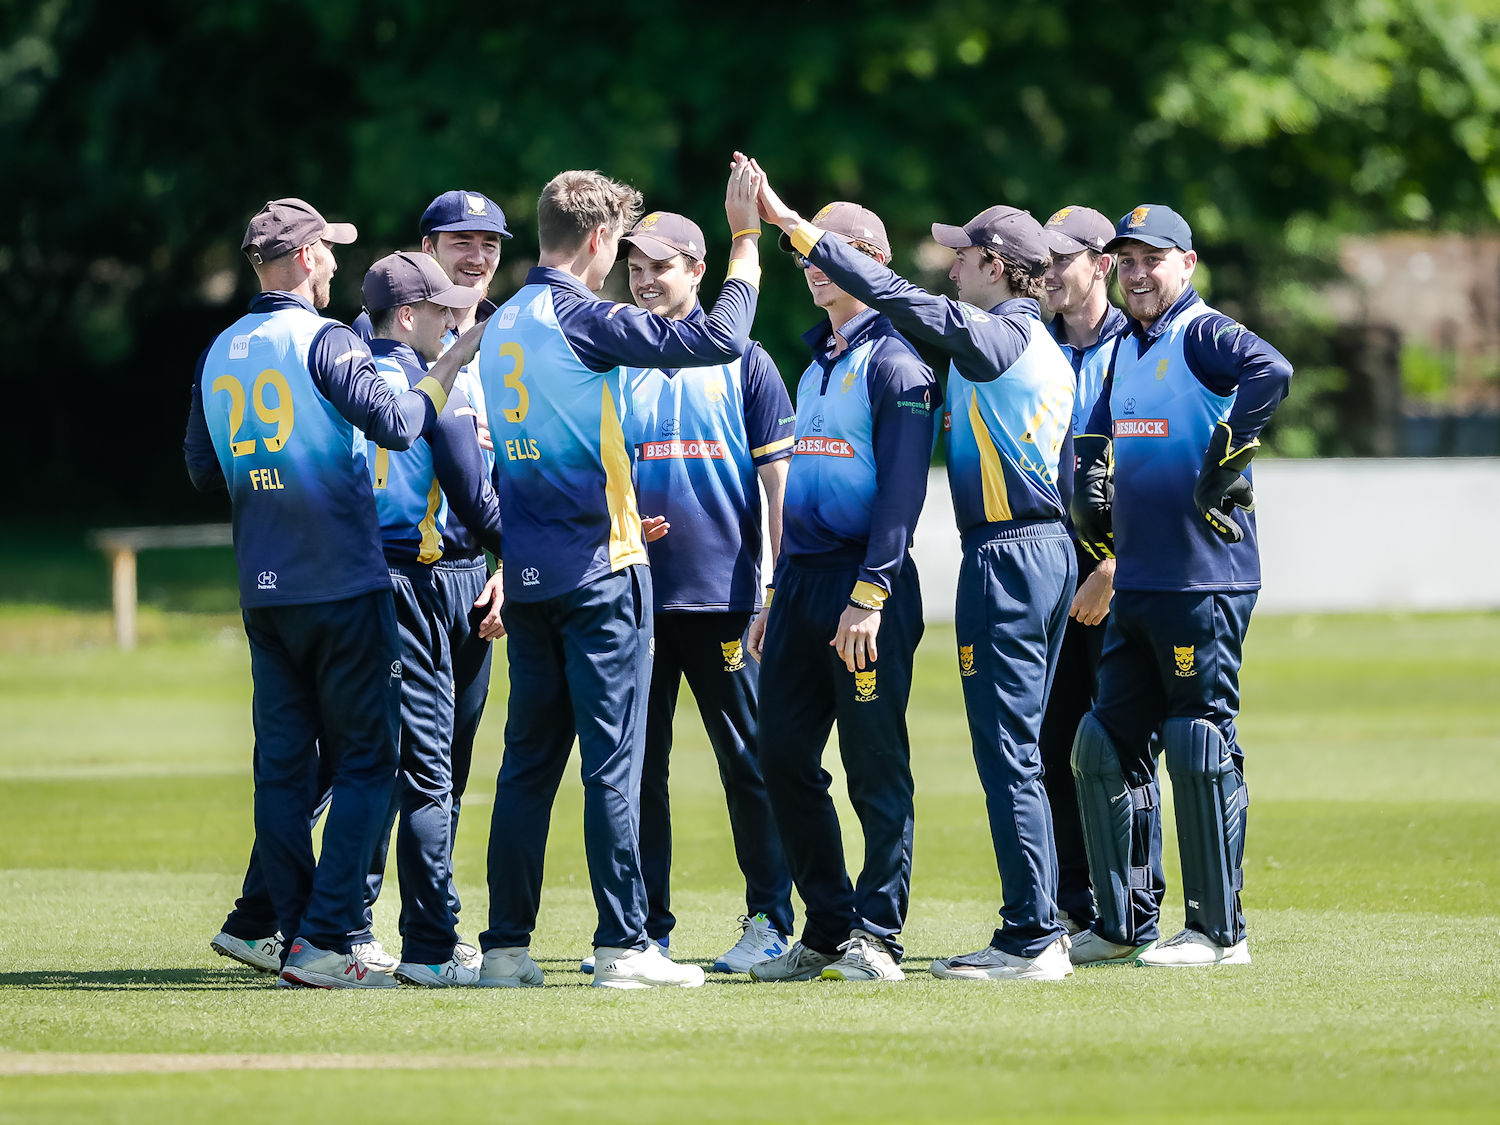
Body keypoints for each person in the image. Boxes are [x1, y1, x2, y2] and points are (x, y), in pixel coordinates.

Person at [753, 167, 1079, 983]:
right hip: (1017, 549)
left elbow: (904, 304)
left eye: (964, 257)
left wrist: (795, 226)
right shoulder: (1024, 341)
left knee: (1008, 750)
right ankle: (1031, 925)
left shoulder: (1003, 336)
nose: (951, 268)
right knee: (1014, 749)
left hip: (1011, 551)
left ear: (999, 265)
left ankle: (1032, 934)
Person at [473, 158, 764, 990]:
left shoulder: (503, 323)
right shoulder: (580, 317)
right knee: (614, 761)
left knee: (526, 764)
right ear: (599, 239)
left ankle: (505, 947)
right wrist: (743, 245)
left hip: (527, 578)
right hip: (601, 572)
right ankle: (624, 944)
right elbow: (719, 339)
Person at [185, 198, 479, 989]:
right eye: (330, 252)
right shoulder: (323, 339)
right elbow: (394, 423)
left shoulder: (220, 349)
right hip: (342, 583)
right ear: (307, 257)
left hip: (263, 585)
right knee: (369, 762)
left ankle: (290, 934)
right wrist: (446, 369)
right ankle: (327, 940)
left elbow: (203, 468)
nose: (336, 265)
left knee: (282, 772)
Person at [1069, 204, 1292, 967]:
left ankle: (1218, 932)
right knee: (1103, 743)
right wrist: (1090, 480)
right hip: (1139, 580)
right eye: (1125, 261)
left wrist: (1228, 456)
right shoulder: (1129, 345)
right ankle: (1121, 923)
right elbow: (1099, 431)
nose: (1136, 273)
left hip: (1206, 578)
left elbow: (1273, 369)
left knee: (1197, 739)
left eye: (1151, 259)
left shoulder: (1201, 332)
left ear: (1186, 263)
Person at [742, 202, 938, 985]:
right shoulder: (816, 358)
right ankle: (826, 927)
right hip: (801, 587)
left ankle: (878, 933)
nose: (810, 262)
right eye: (805, 252)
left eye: (828, 251)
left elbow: (901, 496)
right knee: (782, 752)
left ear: (870, 260)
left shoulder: (898, 362)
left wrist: (872, 592)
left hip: (868, 589)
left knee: (873, 763)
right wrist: (775, 590)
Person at [617, 210, 796, 975]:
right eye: (635, 268)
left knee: (750, 764)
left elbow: (778, 479)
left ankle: (769, 919)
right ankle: (647, 928)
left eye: (661, 266)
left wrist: (775, 582)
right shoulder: (614, 357)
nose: (645, 280)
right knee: (638, 771)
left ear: (698, 270)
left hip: (726, 598)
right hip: (633, 599)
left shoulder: (744, 360)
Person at [358, 251, 506, 987]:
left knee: (379, 765)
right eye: (443, 311)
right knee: (428, 772)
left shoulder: (343, 376)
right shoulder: (428, 388)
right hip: (423, 583)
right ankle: (430, 944)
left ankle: (348, 927)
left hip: (365, 583)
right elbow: (478, 505)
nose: (456, 320)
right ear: (409, 316)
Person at [1036, 205, 1129, 936]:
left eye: (1063, 258)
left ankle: (1131, 908)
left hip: (1116, 583)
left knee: (1119, 745)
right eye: (1043, 258)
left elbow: (1161, 471)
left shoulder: (1142, 347)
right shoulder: (1029, 343)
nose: (1049, 272)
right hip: (1046, 581)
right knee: (1052, 744)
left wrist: (1113, 565)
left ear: (1102, 264)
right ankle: (1075, 905)